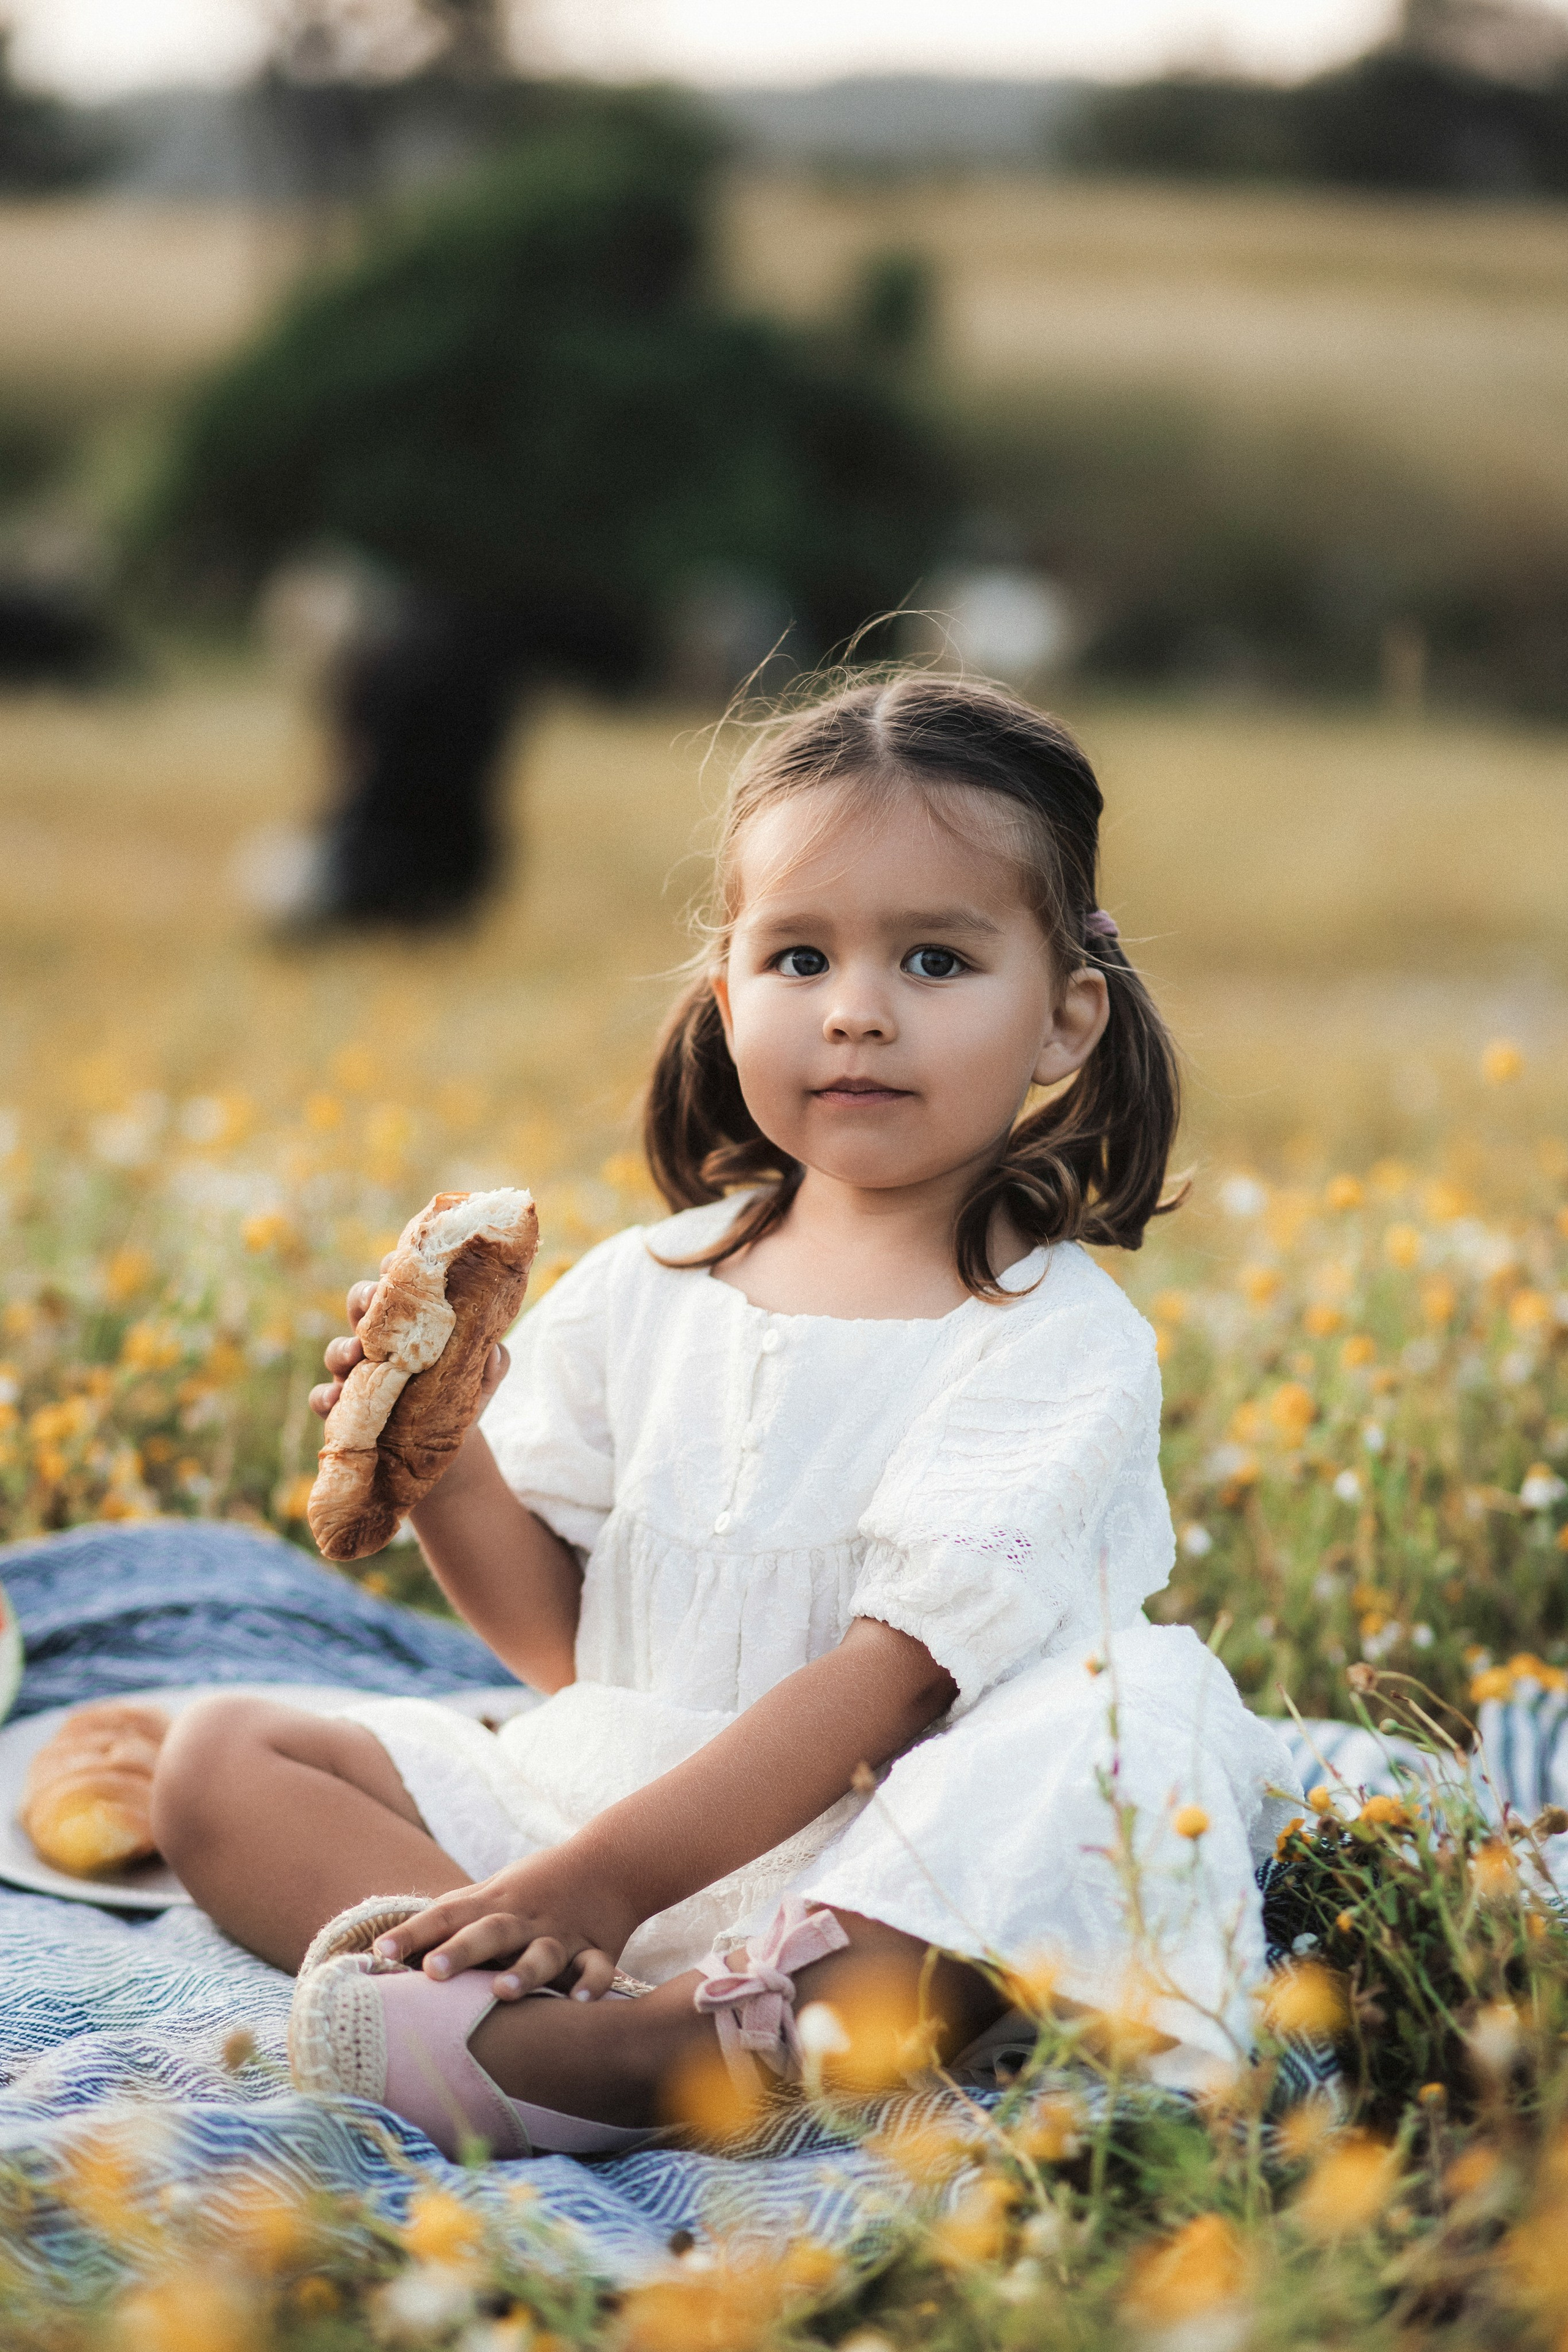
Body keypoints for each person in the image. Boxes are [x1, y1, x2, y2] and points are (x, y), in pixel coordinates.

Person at [152, 672, 1299, 2160]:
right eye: (800, 956)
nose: (857, 1014)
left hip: (881, 1864)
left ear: (1063, 1020)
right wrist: (443, 1465)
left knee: (1136, 1731)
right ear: (725, 991)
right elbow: (563, 1645)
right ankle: (509, 1998)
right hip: (609, 1789)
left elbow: (895, 1686)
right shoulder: (651, 1282)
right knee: (220, 1754)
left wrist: (604, 1885)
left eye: (937, 961)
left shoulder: (1053, 1337)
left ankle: (662, 2048)